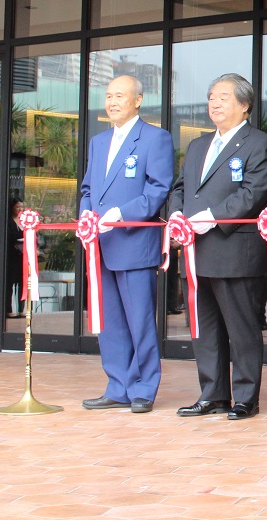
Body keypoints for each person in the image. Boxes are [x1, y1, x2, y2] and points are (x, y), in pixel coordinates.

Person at [168, 73, 267, 421]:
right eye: (211, 97)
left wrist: (212, 217)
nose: (214, 103)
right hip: (195, 251)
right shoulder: (198, 144)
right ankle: (212, 393)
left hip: (235, 252)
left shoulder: (259, 143)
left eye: (223, 97)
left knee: (242, 329)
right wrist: (175, 216)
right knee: (205, 328)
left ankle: (246, 397)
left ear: (244, 105)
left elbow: (252, 194)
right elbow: (180, 188)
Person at [79, 75, 174, 413]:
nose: (113, 101)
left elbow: (158, 190)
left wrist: (120, 213)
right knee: (111, 322)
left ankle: (144, 387)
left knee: (140, 320)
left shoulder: (154, 138)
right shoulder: (98, 141)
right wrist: (85, 217)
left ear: (138, 100)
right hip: (101, 245)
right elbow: (88, 189)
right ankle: (117, 385)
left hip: (134, 243)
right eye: (108, 96)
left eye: (120, 95)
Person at [5, 197, 25, 318]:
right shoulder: (8, 221)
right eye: (17, 207)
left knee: (23, 284)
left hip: (23, 256)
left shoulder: (24, 221)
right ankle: (9, 309)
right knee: (10, 284)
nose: (19, 209)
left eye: (21, 207)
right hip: (12, 256)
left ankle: (22, 308)